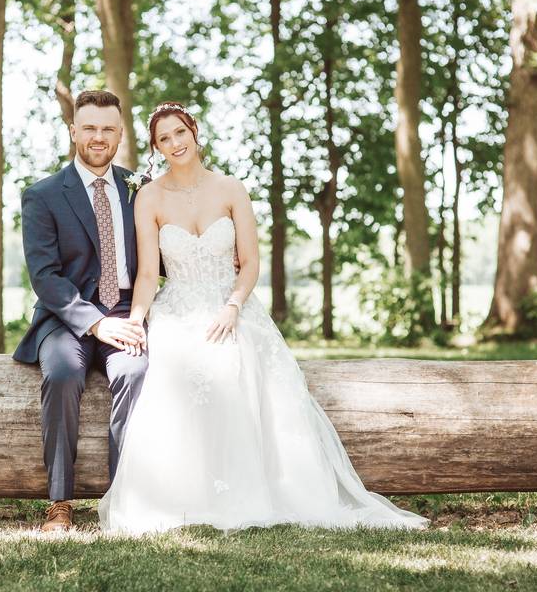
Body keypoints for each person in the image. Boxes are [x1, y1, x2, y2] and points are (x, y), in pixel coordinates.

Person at [98, 102, 430, 534]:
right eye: (164, 139)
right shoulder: (150, 197)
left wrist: (233, 305)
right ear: (156, 148)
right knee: (179, 364)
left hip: (231, 304)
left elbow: (251, 262)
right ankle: (179, 495)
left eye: (180, 133)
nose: (175, 144)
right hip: (177, 306)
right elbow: (145, 274)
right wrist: (138, 320)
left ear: (195, 132)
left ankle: (265, 488)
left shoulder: (232, 189)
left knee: (240, 358)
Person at [14, 90, 148, 532]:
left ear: (120, 134)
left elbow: (159, 258)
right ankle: (60, 501)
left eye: (108, 129)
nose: (98, 137)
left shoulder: (140, 190)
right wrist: (94, 321)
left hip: (128, 312)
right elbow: (45, 275)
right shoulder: (43, 195)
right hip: (66, 318)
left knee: (134, 373)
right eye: (89, 127)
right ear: (73, 130)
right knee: (63, 374)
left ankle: (122, 498)